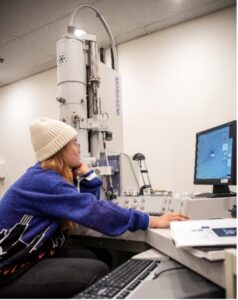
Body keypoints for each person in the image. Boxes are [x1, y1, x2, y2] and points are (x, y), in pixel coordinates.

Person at [0, 117, 189, 298]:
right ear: (61, 149)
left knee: (97, 254)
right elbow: (94, 210)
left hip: (28, 258)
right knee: (97, 271)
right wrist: (150, 220)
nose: (79, 148)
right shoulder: (47, 181)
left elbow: (82, 206)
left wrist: (89, 177)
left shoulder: (44, 176)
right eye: (74, 143)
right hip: (10, 272)